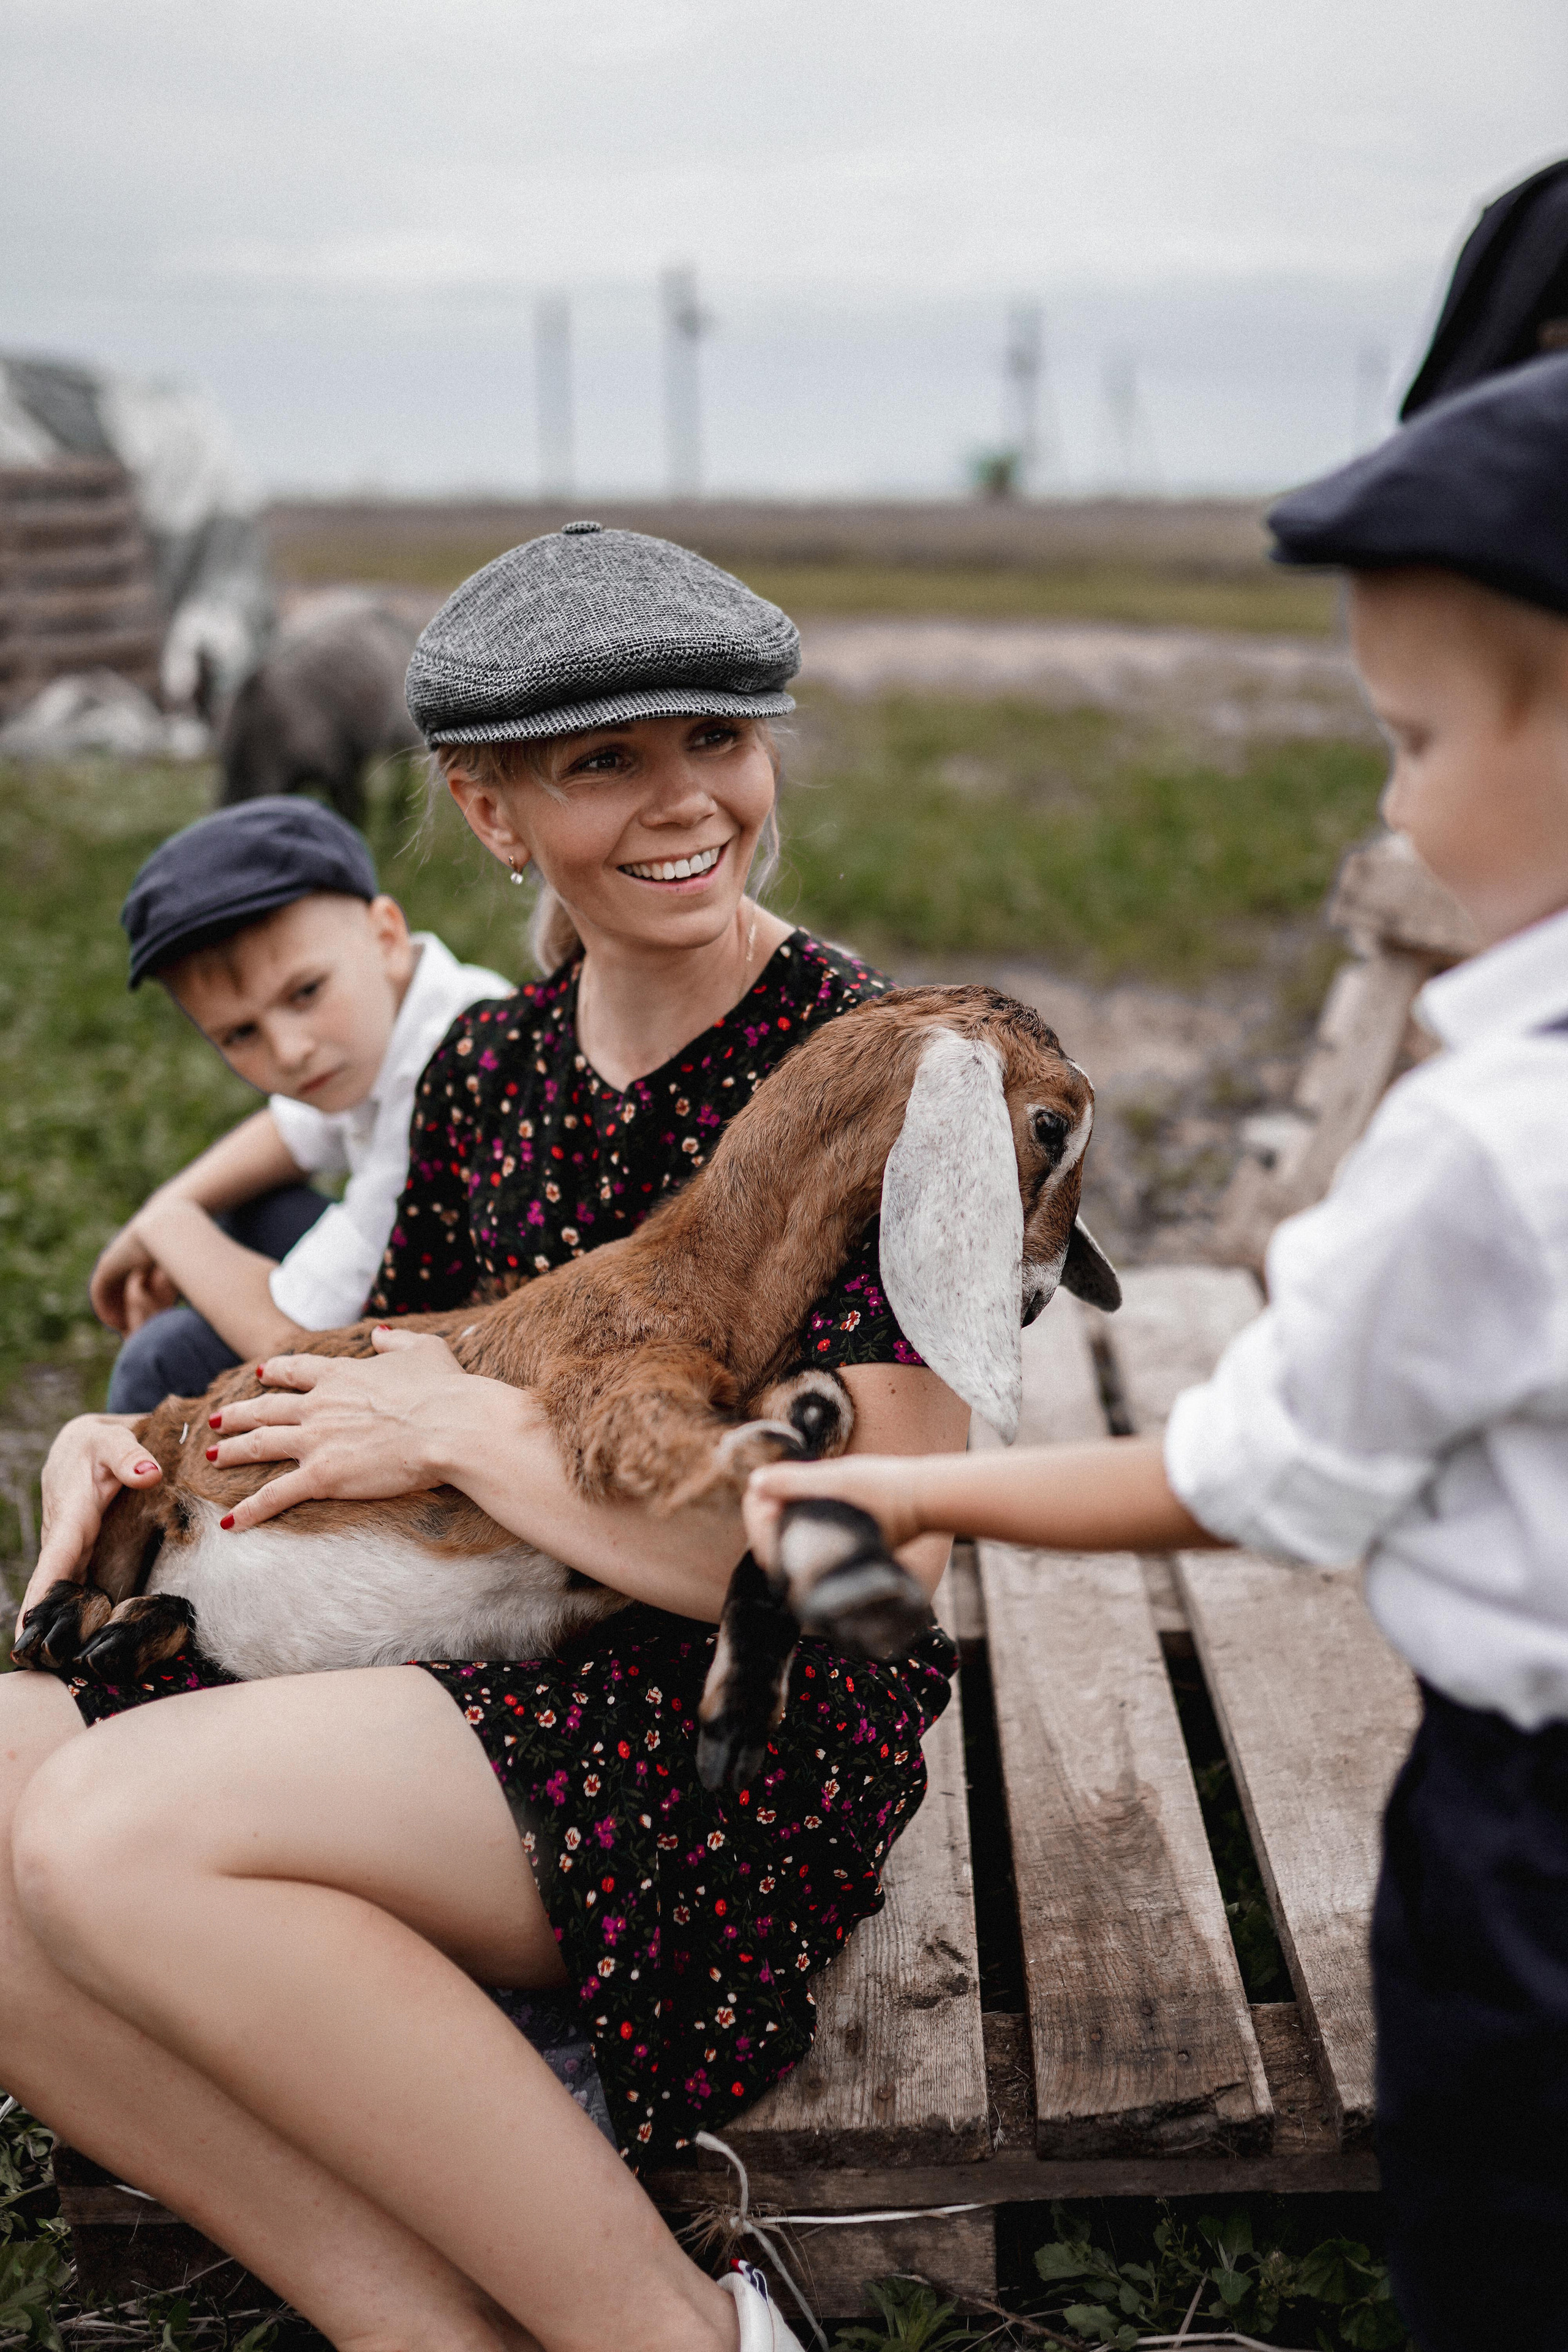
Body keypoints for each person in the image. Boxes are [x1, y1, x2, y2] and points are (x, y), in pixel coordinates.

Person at [2, 524, 970, 2352]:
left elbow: (874, 1565)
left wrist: (464, 1422)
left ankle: (684, 2334)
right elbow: (370, 1388)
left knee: (109, 1832)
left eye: (716, 737)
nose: (686, 796)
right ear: (494, 811)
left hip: (719, 1739)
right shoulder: (484, 1073)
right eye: (606, 757)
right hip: (482, 1653)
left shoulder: (884, 1078)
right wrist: (145, 1456)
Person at [744, 361, 1568, 2352]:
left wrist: (908, 1488)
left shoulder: (1490, 1143)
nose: (1390, 798)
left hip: (1533, 1852)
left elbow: (1241, 1474)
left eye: (1416, 737)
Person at [96, 796, 509, 1412]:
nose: (288, 1052)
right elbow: (290, 1137)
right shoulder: (391, 1014)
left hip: (499, 1363)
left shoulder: (457, 1055)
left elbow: (289, 1339)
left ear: (387, 937)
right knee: (248, 1208)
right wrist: (166, 1208)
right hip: (435, 1296)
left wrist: (167, 1230)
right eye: (239, 1035)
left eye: (306, 992)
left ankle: (145, 1497)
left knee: (166, 1354)